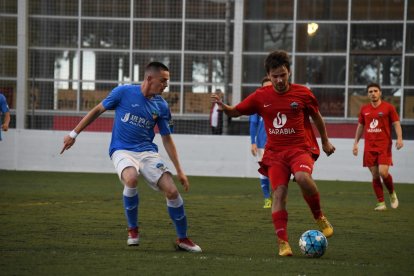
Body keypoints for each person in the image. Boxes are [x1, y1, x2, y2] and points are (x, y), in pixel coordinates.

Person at [60, 61, 201, 252]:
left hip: (148, 152)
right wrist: (73, 134)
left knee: (172, 192)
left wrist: (180, 170)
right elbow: (97, 111)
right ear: (150, 78)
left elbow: (167, 139)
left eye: (167, 81)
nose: (166, 85)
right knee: (131, 178)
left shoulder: (161, 105)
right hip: (122, 149)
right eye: (163, 81)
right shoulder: (123, 92)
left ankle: (183, 239)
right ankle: (133, 230)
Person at [211, 50, 335, 257]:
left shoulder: (303, 93)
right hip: (275, 154)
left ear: (289, 72)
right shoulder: (260, 96)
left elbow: (317, 117)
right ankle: (283, 243)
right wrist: (224, 107)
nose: (279, 80)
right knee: (279, 194)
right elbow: (236, 111)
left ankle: (319, 216)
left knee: (303, 177)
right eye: (274, 76)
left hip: (300, 149)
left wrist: (325, 141)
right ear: (268, 75)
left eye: (283, 75)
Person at [352, 83, 403, 211]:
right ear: (368, 94)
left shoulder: (388, 108)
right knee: (375, 175)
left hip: (384, 146)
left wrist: (400, 138)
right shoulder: (364, 109)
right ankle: (381, 203)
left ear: (380, 93)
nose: (373, 93)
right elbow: (360, 127)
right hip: (369, 147)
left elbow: (396, 124)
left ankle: (392, 193)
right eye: (370, 91)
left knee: (383, 172)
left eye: (375, 91)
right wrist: (355, 143)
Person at [249, 77, 272, 208]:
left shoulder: (281, 101)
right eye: (265, 87)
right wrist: (253, 142)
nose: (267, 89)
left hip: (278, 144)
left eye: (270, 86)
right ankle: (267, 198)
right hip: (262, 143)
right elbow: (253, 123)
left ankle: (279, 197)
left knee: (278, 171)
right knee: (264, 171)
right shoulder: (258, 103)